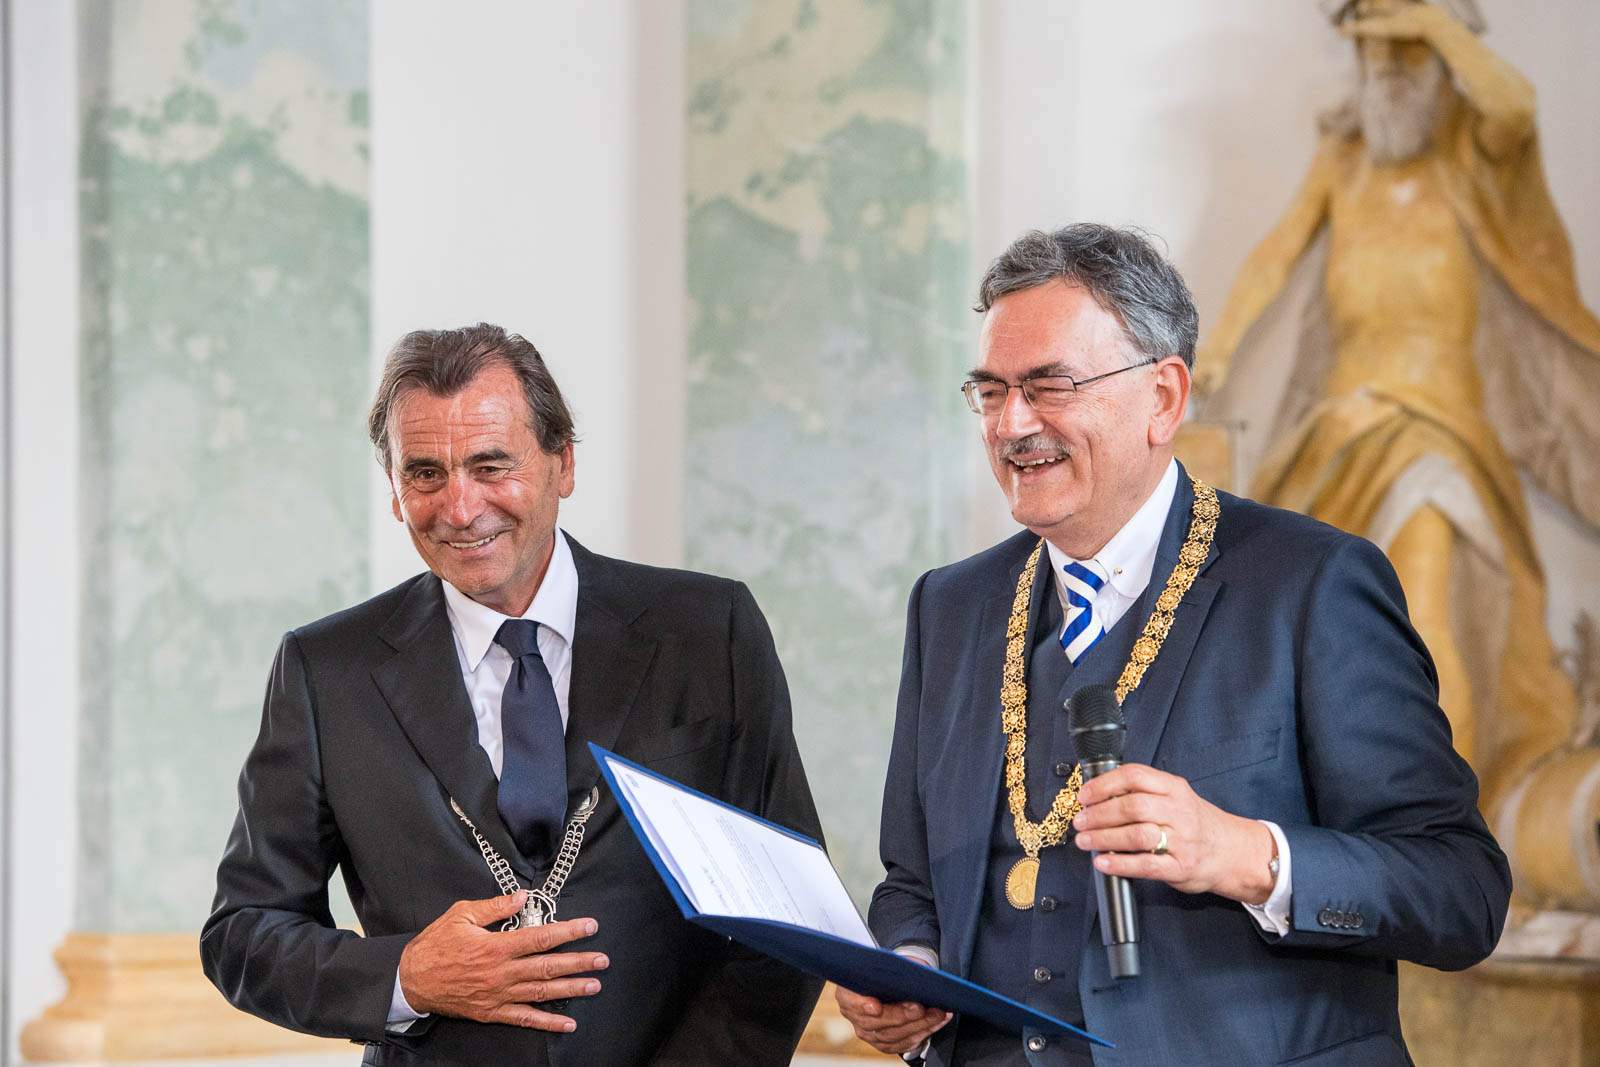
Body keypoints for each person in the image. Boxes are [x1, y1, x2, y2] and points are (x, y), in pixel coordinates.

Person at [835, 224, 1511, 1065]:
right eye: (991, 390)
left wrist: (1243, 853)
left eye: (1050, 386)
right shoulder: (951, 604)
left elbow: (1462, 890)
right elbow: (912, 881)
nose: (1013, 424)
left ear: (1163, 397)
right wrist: (909, 965)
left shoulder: (1313, 584)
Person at [201, 323, 823, 1065]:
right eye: (425, 473)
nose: (460, 508)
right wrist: (406, 976)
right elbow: (244, 929)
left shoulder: (709, 630)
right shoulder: (323, 669)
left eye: (491, 465)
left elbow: (790, 913)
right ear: (396, 491)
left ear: (562, 463)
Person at [1193, 0, 1600, 907]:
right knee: (1315, 639)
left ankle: (1434, 841)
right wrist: (1217, 344)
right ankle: (1344, 841)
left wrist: (1440, 24)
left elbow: (1516, 107)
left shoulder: (1474, 155)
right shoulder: (1345, 164)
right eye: (1374, 50)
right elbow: (1273, 255)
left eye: (1406, 49)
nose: (1389, 68)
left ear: (1439, 56)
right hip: (1340, 440)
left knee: (1427, 611)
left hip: (1439, 437)